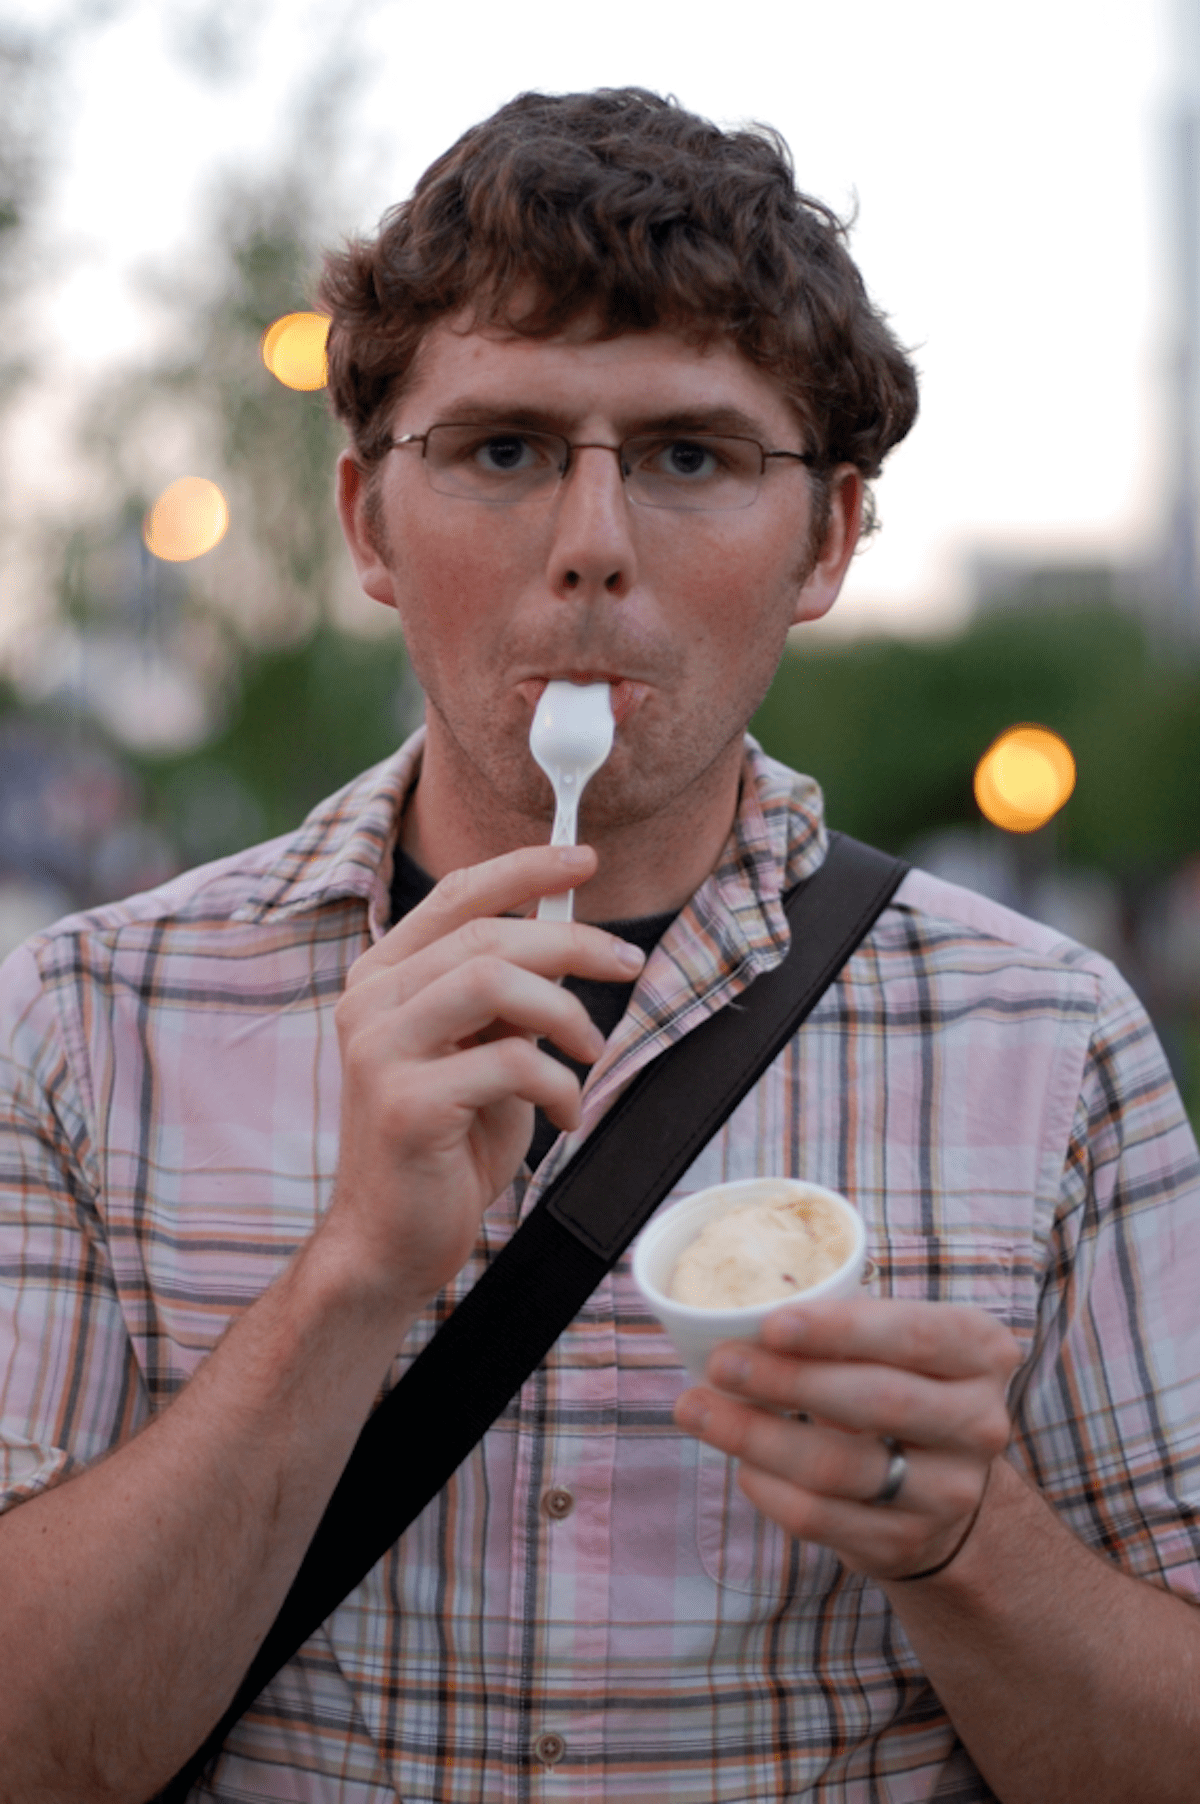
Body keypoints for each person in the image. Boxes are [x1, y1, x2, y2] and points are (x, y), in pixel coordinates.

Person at [0, 86, 1197, 1804]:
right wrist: (353, 1276)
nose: (590, 548)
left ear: (830, 540)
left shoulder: (1051, 1040)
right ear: (366, 525)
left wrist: (963, 1546)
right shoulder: (85, 1016)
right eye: (500, 451)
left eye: (689, 457)